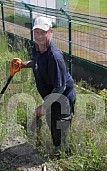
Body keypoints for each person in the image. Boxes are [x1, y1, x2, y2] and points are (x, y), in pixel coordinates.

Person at [14, 16, 76, 156]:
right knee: (52, 122)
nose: (39, 36)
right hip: (52, 95)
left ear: (50, 32)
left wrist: (44, 106)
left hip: (63, 98)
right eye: (36, 32)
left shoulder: (54, 57)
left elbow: (60, 87)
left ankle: (63, 155)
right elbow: (37, 62)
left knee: (60, 126)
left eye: (43, 32)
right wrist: (24, 65)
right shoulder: (37, 48)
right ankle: (57, 148)